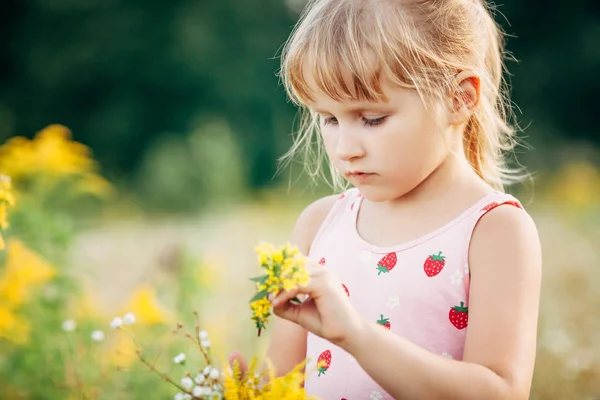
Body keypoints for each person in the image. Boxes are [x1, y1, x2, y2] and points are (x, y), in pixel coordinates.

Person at [230, 0, 542, 398]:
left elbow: (500, 392)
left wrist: (358, 335)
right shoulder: (319, 225)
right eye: (329, 118)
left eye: (372, 119)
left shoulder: (494, 230)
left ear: (459, 99)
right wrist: (245, 391)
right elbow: (283, 384)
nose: (345, 149)